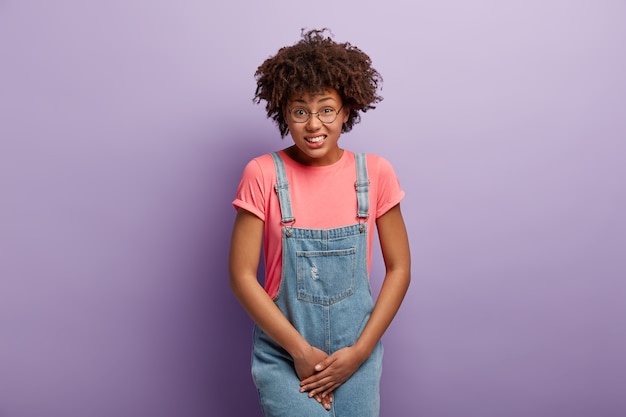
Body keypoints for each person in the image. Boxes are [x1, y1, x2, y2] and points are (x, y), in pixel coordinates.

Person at [229, 28, 411, 417]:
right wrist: (299, 351)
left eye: (326, 109)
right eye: (300, 111)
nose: (314, 124)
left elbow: (399, 269)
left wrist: (360, 352)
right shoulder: (262, 173)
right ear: (284, 113)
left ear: (346, 110)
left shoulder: (375, 173)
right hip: (284, 352)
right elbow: (242, 276)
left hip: (356, 354)